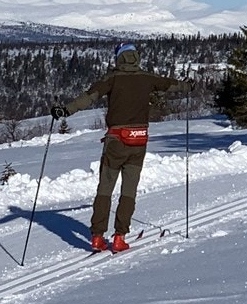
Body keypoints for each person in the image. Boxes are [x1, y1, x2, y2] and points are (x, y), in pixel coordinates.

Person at [54, 43, 181, 252]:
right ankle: (120, 237)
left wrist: (64, 111)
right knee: (129, 191)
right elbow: (172, 85)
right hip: (139, 141)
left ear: (118, 59)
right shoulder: (148, 78)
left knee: (105, 188)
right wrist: (188, 86)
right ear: (136, 57)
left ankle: (97, 237)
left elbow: (89, 96)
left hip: (116, 141)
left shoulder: (112, 79)